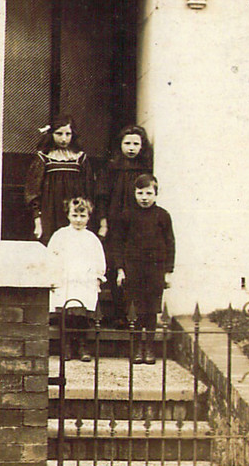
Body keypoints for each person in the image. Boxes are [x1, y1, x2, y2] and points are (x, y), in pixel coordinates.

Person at [113, 173, 175, 364]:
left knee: (151, 311)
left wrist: (168, 272)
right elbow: (118, 243)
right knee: (135, 310)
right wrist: (120, 269)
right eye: (140, 193)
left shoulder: (163, 216)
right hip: (134, 268)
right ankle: (137, 348)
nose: (144, 197)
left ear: (156, 193)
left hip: (155, 269)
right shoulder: (127, 215)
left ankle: (149, 347)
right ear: (134, 193)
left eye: (149, 193)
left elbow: (170, 244)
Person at [96, 125, 154, 325]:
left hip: (137, 224)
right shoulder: (111, 168)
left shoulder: (145, 168)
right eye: (127, 143)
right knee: (115, 266)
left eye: (136, 144)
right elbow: (102, 197)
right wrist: (103, 222)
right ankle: (119, 314)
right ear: (120, 144)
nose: (131, 148)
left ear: (142, 146)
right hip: (115, 223)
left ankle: (135, 315)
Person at [47, 196, 106, 362]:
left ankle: (82, 345)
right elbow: (51, 258)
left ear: (89, 217)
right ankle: (65, 346)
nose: (78, 220)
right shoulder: (60, 236)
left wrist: (97, 278)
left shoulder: (92, 239)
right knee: (66, 315)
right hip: (65, 281)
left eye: (82, 216)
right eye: (75, 215)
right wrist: (53, 278)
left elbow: (99, 260)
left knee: (81, 315)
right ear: (68, 215)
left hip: (84, 282)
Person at [24, 115, 94, 246]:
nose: (63, 138)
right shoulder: (44, 157)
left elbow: (88, 187)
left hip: (74, 209)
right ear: (51, 134)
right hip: (50, 209)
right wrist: (37, 218)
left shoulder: (80, 158)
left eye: (68, 134)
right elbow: (33, 190)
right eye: (59, 134)